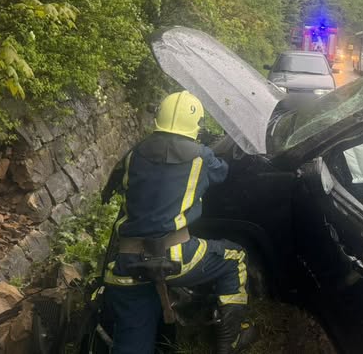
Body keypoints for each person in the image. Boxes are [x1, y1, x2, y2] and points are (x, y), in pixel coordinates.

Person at [100, 90, 255, 354]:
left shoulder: (134, 153)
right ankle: (230, 340)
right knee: (235, 257)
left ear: (159, 117)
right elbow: (223, 171)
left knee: (133, 342)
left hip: (126, 265)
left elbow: (115, 186)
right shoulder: (201, 156)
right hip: (175, 258)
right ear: (197, 125)